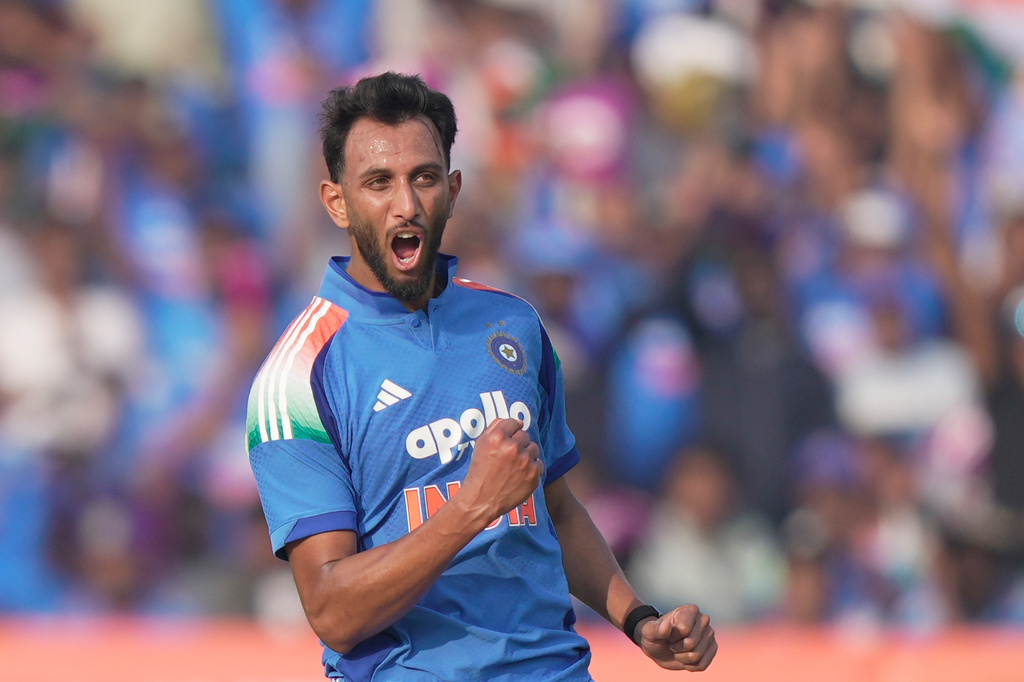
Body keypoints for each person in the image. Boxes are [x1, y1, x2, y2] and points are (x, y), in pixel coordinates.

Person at [244, 72, 717, 680]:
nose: (406, 204)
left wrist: (638, 619)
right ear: (337, 202)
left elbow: (556, 507)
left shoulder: (514, 324)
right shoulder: (297, 378)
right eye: (379, 182)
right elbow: (332, 611)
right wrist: (470, 507)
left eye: (424, 177)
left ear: (453, 188)